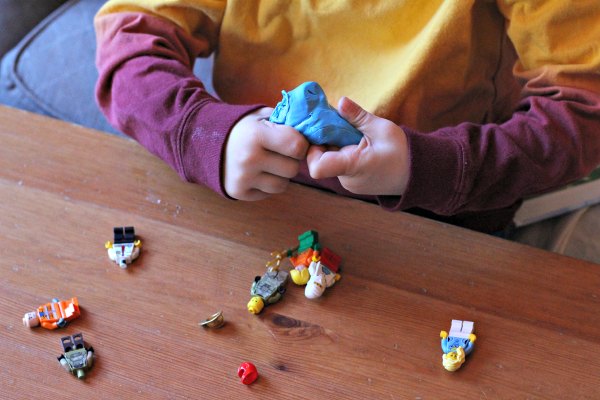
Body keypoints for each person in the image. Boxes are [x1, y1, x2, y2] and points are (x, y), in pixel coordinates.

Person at [1, 1, 599, 262]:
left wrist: (427, 166)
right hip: (252, 206)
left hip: (441, 217)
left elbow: (582, 108)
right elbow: (130, 43)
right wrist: (210, 134)